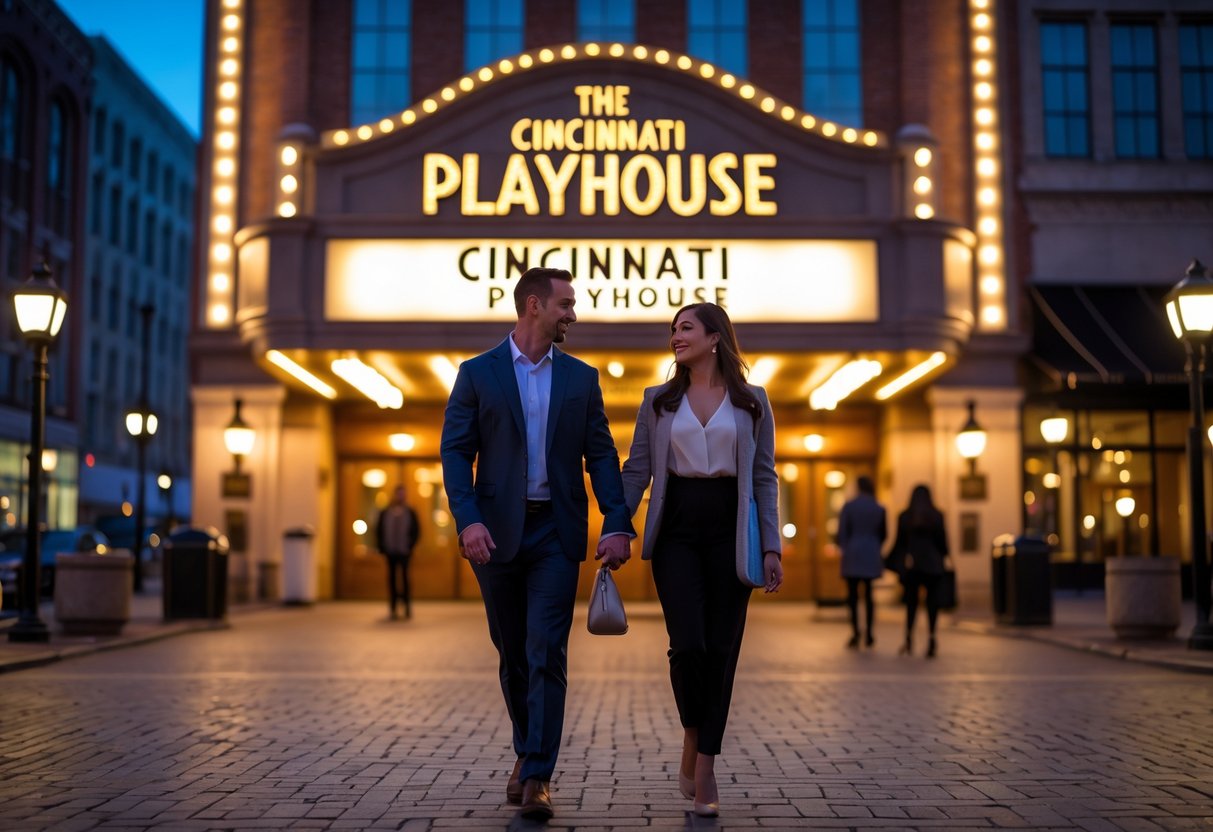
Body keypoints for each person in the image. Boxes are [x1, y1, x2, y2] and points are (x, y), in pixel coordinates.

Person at [440, 267, 634, 821]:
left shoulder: (581, 378)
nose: (573, 313)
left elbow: (600, 454)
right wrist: (468, 520)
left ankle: (537, 773)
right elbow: (455, 451)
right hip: (493, 534)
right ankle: (528, 753)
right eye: (565, 304)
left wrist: (615, 520)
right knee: (511, 651)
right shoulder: (476, 374)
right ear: (534, 306)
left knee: (546, 649)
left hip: (556, 531)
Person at [621, 302, 783, 818]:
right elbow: (637, 471)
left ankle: (705, 761)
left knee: (722, 648)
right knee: (687, 643)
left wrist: (772, 545)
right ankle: (693, 729)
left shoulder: (753, 401)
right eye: (672, 329)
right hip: (677, 528)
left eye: (686, 327)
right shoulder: (658, 401)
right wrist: (617, 527)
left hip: (733, 529)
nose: (676, 336)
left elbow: (764, 477)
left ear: (716, 338)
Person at [888, 484, 949, 658]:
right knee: (932, 603)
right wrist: (945, 556)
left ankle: (908, 638)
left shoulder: (905, 516)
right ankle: (931, 638)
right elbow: (942, 542)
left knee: (911, 604)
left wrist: (894, 562)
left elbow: (899, 543)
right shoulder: (936, 516)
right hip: (933, 564)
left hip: (912, 565)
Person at [837, 475, 886, 649]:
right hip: (871, 551)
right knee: (869, 595)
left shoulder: (849, 507)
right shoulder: (878, 507)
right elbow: (883, 534)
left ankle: (856, 632)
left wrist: (845, 547)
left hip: (853, 552)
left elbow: (842, 532)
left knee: (853, 595)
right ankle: (870, 633)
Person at [375, 484, 420, 620]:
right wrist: (382, 546)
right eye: (399, 493)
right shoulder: (385, 512)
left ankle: (407, 607)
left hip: (405, 551)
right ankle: (393, 607)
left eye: (403, 493)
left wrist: (411, 545)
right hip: (390, 550)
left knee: (405, 578)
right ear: (394, 494)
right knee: (392, 578)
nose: (401, 496)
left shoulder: (410, 512)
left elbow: (416, 531)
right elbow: (378, 530)